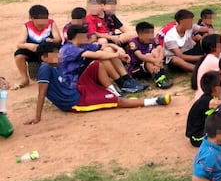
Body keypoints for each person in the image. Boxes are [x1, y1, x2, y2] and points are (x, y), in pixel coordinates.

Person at [26, 42, 170, 125]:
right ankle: (154, 101)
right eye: (55, 54)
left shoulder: (55, 65)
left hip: (78, 89)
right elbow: (42, 93)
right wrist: (37, 117)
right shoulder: (45, 68)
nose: (60, 56)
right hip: (76, 102)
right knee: (118, 102)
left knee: (96, 64)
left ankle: (113, 92)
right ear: (44, 58)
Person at [62, 25, 146, 94]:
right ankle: (120, 83)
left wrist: (117, 49)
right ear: (77, 37)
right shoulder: (68, 48)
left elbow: (104, 45)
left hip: (83, 75)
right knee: (101, 59)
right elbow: (95, 55)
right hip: (73, 82)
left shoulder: (82, 44)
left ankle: (126, 79)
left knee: (108, 50)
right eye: (84, 35)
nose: (87, 37)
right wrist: (117, 55)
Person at [13, 4, 62, 89]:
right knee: (19, 56)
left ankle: (56, 75)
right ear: (32, 18)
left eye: (44, 19)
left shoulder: (51, 23)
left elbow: (58, 39)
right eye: (39, 20)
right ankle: (25, 79)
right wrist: (28, 45)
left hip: (46, 50)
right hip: (33, 50)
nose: (42, 22)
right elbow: (19, 44)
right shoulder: (26, 26)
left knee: (57, 52)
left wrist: (52, 40)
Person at [126, 21, 172, 89]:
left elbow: (161, 49)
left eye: (152, 33)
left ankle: (162, 75)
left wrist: (158, 60)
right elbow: (140, 56)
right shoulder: (133, 42)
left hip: (152, 65)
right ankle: (158, 79)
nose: (151, 35)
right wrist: (155, 61)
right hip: (137, 69)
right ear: (140, 35)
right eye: (148, 33)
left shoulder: (152, 39)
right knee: (148, 57)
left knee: (156, 51)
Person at [186, 71, 221, 147]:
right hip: (197, 138)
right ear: (216, 89)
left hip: (204, 129)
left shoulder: (212, 96)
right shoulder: (207, 101)